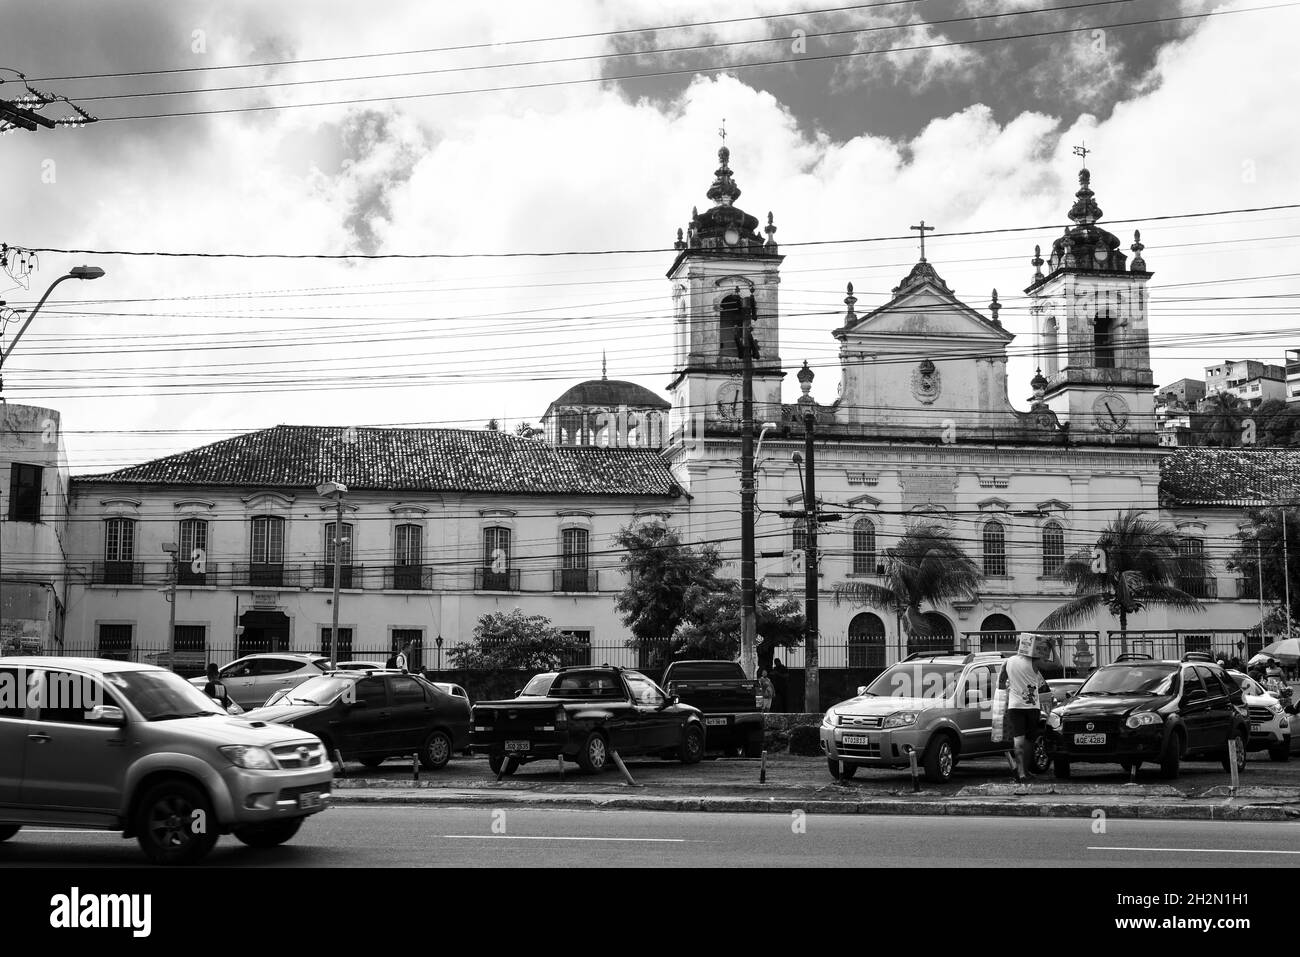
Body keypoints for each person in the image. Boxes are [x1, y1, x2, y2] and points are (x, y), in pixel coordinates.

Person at [1005, 633, 1049, 783]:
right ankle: (1025, 771)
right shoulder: (1035, 661)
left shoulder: (1008, 661)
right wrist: (1054, 648)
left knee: (1018, 740)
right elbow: (1058, 665)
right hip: (1032, 707)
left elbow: (1002, 683)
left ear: (1017, 646)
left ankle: (1021, 772)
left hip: (1014, 706)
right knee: (1030, 740)